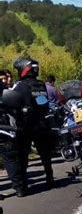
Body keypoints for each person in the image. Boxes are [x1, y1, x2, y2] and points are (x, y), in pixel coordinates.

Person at [13, 57, 54, 192]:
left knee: (22, 157)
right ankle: (50, 179)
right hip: (42, 123)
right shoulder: (41, 85)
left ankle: (22, 187)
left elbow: (13, 105)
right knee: (45, 155)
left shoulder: (21, 87)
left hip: (25, 126)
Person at [0, 81, 25, 197]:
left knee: (10, 157)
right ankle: (20, 186)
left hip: (5, 129)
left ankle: (19, 186)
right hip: (7, 129)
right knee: (11, 158)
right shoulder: (3, 89)